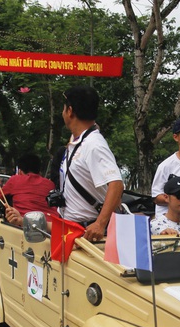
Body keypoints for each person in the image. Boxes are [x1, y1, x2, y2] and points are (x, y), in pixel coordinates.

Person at [55, 85, 123, 242]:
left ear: (70, 111)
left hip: (88, 233)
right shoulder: (79, 142)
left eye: (64, 108)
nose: (62, 112)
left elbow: (116, 184)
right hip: (72, 229)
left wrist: (100, 224)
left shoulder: (94, 144)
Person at [2, 154, 59, 226]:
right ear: (39, 171)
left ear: (20, 171)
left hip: (25, 227)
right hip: (53, 227)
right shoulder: (50, 184)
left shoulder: (15, 180)